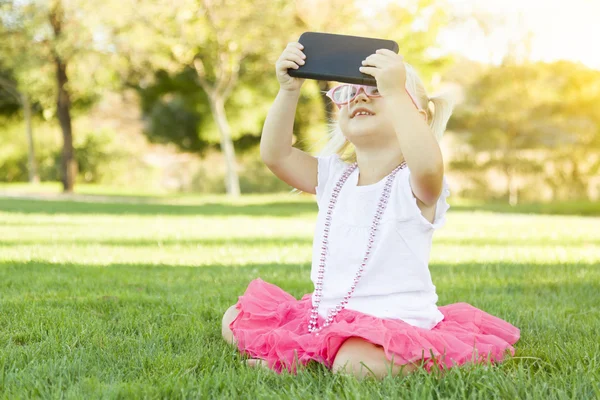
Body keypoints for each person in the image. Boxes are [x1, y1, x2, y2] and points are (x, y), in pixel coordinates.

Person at [221, 41, 520, 379]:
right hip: (328, 316)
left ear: (415, 118)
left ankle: (310, 365)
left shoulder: (415, 185)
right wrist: (289, 91)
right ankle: (314, 357)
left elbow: (429, 165)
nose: (361, 96)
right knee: (234, 318)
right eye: (350, 91)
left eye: (378, 89)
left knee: (355, 364)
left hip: (393, 321)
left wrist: (395, 92)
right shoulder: (333, 176)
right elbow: (276, 155)